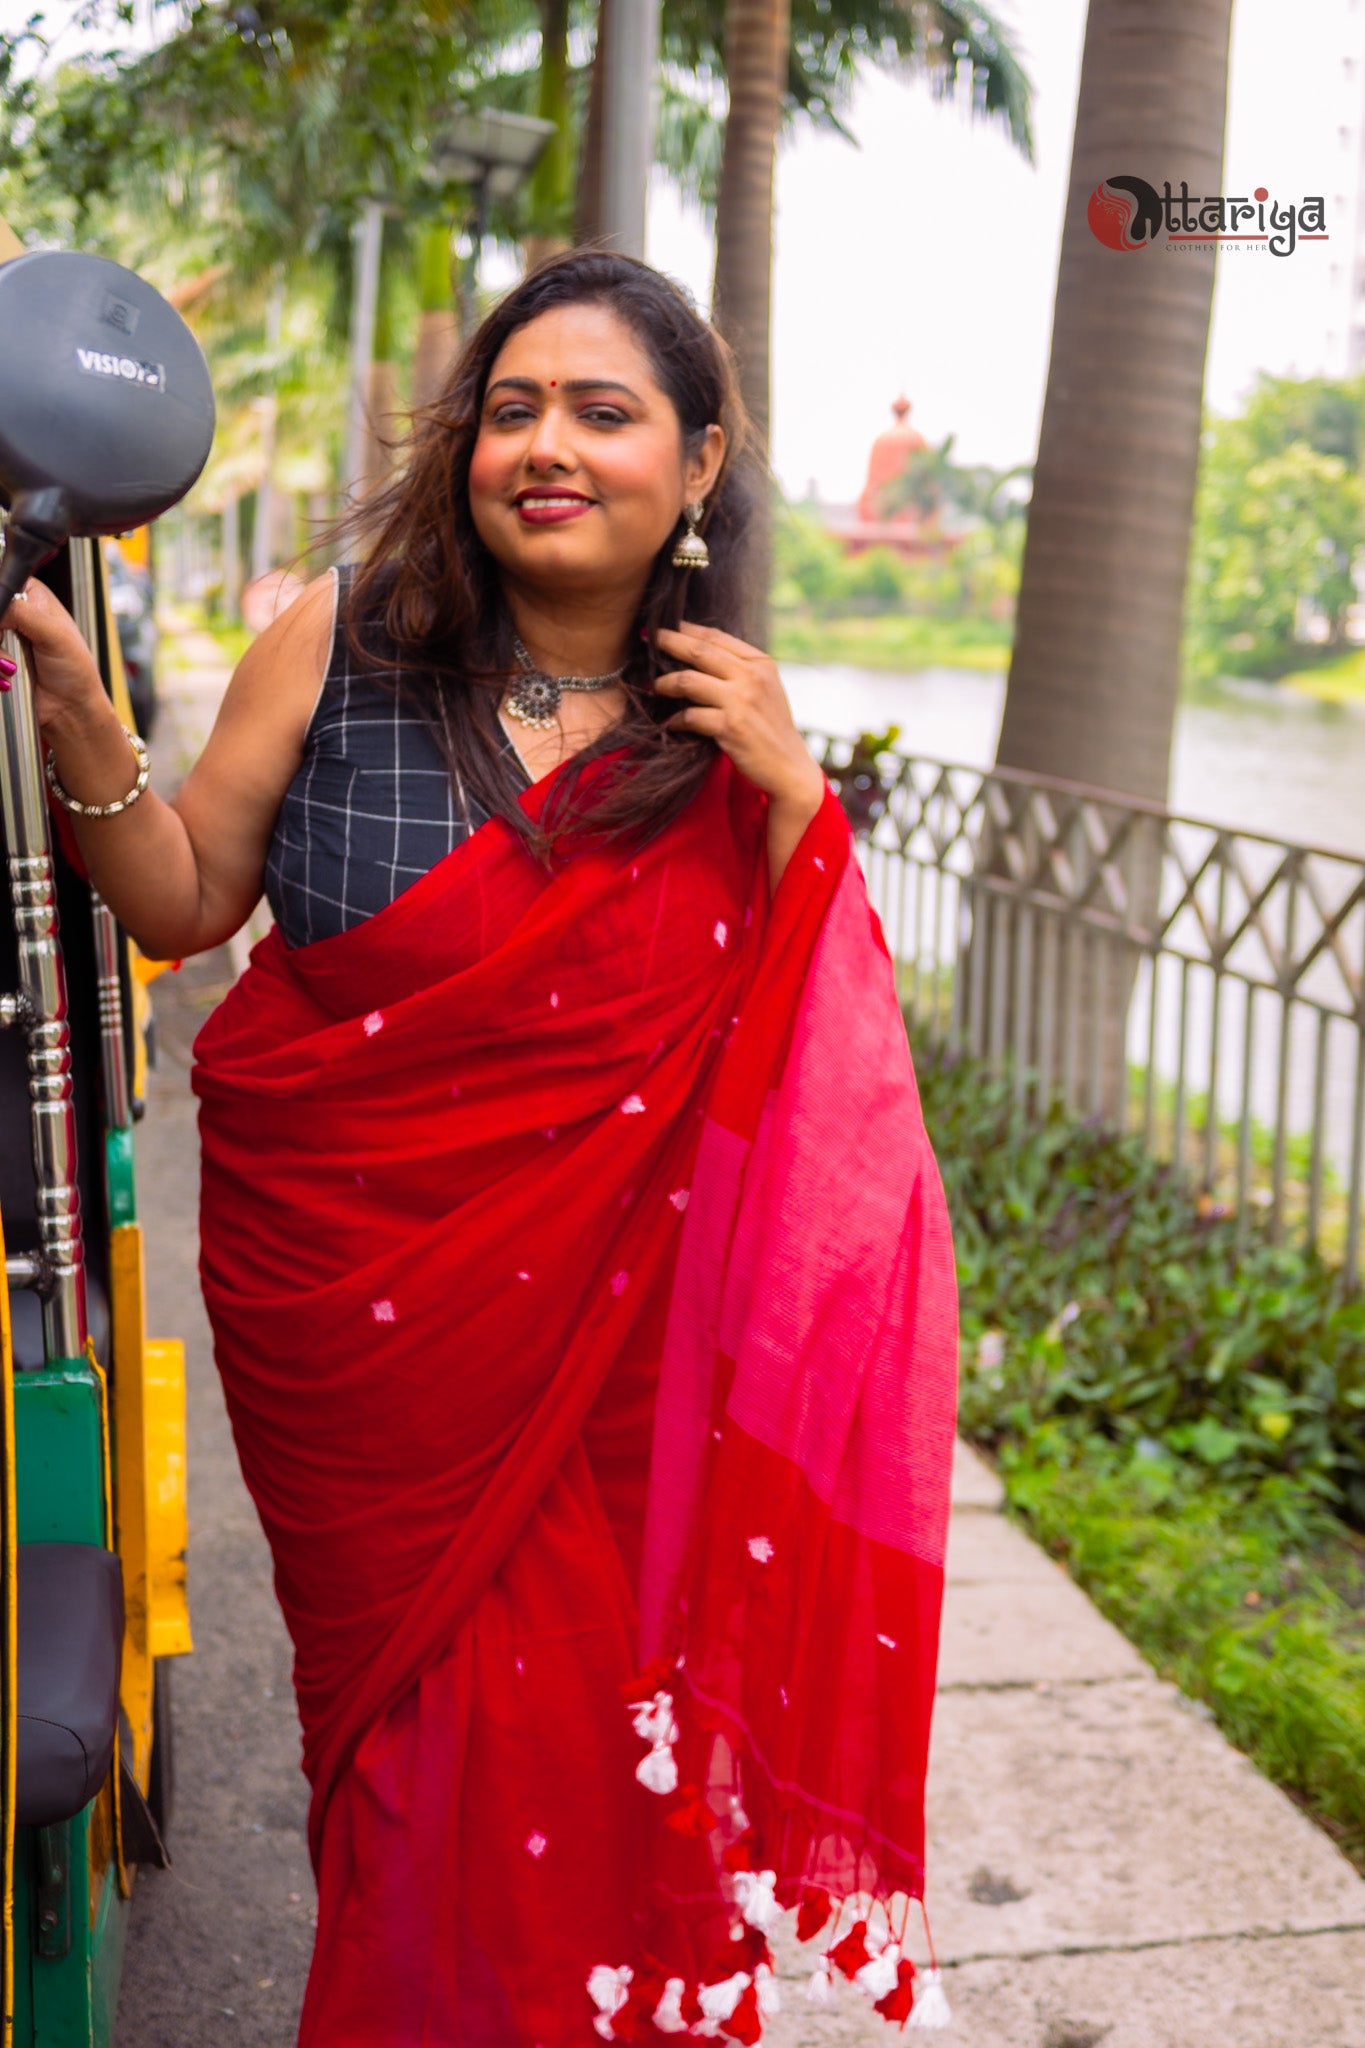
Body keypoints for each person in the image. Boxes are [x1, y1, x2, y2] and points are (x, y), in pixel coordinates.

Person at [8, 250, 958, 2046]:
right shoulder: (340, 641)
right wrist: (74, 708)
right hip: (359, 1335)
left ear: (696, 465)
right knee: (406, 1758)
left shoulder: (725, 730)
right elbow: (185, 901)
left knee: (593, 1760)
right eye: (513, 407)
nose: (547, 445)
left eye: (603, 413)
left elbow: (814, 1081)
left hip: (608, 1377)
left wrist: (794, 804)